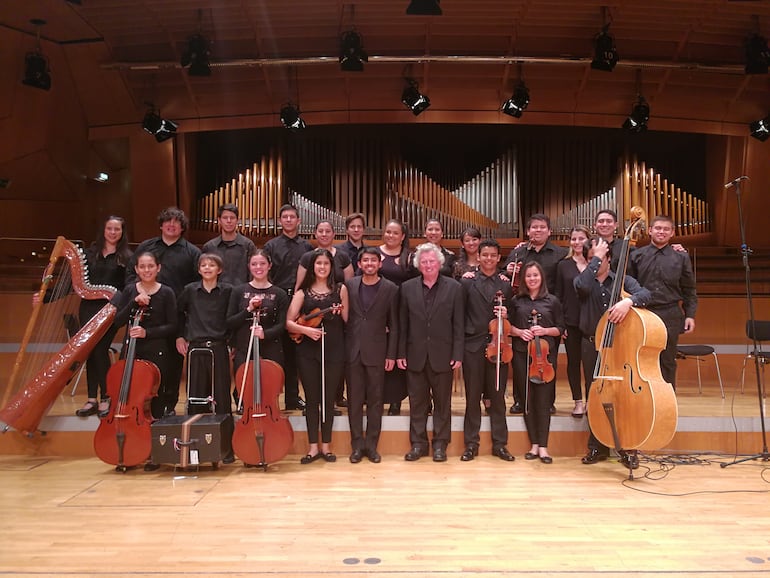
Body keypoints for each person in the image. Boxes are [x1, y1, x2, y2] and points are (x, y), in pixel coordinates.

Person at [574, 237, 650, 465]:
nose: (594, 264)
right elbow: (581, 285)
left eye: (599, 259)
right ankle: (597, 447)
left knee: (623, 397)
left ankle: (628, 448)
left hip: (620, 348)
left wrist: (629, 302)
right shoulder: (584, 282)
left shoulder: (623, 281)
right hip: (592, 345)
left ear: (610, 259)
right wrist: (595, 258)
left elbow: (647, 295)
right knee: (595, 396)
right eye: (590, 260)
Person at [127, 207, 201, 416]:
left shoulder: (192, 252)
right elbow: (129, 274)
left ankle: (168, 404)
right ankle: (141, 403)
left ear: (182, 227)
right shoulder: (146, 247)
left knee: (173, 360)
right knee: (140, 361)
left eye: (176, 222)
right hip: (145, 312)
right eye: (167, 221)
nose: (171, 224)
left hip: (176, 314)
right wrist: (135, 294)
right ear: (161, 224)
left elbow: (197, 284)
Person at [398, 243, 464, 462]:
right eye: (424, 262)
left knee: (442, 404)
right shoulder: (406, 288)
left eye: (431, 261)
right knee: (417, 403)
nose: (428, 265)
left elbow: (458, 325)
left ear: (439, 263)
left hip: (443, 355)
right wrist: (400, 353)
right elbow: (402, 325)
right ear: (418, 265)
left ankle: (440, 445)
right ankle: (418, 444)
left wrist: (458, 353)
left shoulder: (454, 288)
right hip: (414, 354)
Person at [110, 251, 177, 470]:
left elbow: (173, 326)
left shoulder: (166, 293)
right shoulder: (129, 290)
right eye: (142, 267)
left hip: (156, 352)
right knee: (129, 399)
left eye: (151, 266)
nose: (146, 270)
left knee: (155, 404)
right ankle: (130, 450)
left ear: (158, 268)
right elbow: (118, 321)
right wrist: (132, 304)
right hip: (131, 351)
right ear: (137, 269)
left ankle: (154, 454)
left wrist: (148, 333)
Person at [286, 249, 349, 464]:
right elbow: (289, 322)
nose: (322, 267)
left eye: (326, 263)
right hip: (307, 352)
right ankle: (313, 447)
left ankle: (327, 446)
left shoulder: (341, 290)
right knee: (312, 400)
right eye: (318, 263)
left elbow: (348, 320)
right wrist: (307, 331)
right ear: (313, 267)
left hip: (333, 350)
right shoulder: (303, 293)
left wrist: (340, 313)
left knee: (328, 399)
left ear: (331, 267)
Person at [459, 239, 515, 462]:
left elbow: (511, 313)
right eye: (485, 255)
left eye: (493, 255)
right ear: (478, 257)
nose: (489, 259)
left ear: (498, 258)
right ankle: (471, 444)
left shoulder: (506, 284)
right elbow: (460, 314)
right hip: (472, 345)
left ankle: (500, 444)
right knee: (472, 398)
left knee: (498, 398)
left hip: (498, 346)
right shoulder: (466, 282)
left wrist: (505, 314)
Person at [504, 214, 566, 415]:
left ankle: (548, 401)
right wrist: (509, 269)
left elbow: (563, 285)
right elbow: (509, 278)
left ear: (549, 231)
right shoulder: (518, 253)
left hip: (549, 309)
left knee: (549, 359)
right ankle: (520, 400)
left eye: (542, 227)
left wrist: (558, 320)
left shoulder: (560, 253)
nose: (538, 230)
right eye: (534, 227)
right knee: (520, 361)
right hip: (523, 306)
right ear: (528, 231)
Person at [627, 215, 697, 390]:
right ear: (650, 230)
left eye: (666, 229)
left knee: (667, 360)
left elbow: (689, 289)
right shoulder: (636, 255)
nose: (661, 232)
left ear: (672, 232)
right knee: (640, 358)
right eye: (658, 228)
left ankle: (666, 401)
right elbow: (627, 286)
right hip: (643, 313)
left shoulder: (681, 257)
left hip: (670, 313)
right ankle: (642, 399)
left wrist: (690, 315)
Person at [74, 216, 132, 418]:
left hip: (111, 311)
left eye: (117, 229)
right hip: (88, 309)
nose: (113, 232)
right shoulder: (90, 254)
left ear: (122, 232)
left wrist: (118, 305)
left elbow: (128, 288)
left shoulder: (126, 257)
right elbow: (77, 282)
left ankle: (106, 397)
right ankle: (92, 399)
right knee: (90, 351)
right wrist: (45, 297)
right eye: (110, 228)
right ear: (104, 230)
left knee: (99, 350)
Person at [344, 247, 399, 464]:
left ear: (379, 264)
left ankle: (372, 446)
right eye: (365, 260)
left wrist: (391, 355)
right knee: (354, 401)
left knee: (376, 401)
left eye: (373, 261)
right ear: (359, 264)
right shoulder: (348, 286)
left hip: (378, 352)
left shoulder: (391, 289)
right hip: (353, 351)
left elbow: (394, 326)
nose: (369, 264)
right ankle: (357, 445)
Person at [509, 261, 564, 464]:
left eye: (536, 275)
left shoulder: (552, 301)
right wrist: (518, 331)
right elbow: (508, 326)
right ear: (524, 278)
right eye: (529, 276)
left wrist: (545, 331)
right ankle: (533, 444)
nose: (532, 279)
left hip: (545, 358)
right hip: (523, 355)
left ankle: (544, 446)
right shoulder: (516, 301)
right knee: (527, 401)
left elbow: (560, 328)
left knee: (543, 402)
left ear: (541, 278)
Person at [263, 203, 313, 411]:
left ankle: (293, 397)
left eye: (293, 217)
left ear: (299, 220)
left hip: (300, 302)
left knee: (295, 354)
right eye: (285, 217)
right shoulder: (271, 246)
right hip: (279, 299)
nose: (289, 220)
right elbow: (266, 274)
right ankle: (269, 398)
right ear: (280, 221)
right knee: (275, 352)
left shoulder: (307, 247)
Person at [226, 249, 289, 407]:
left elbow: (282, 325)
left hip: (271, 348)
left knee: (270, 390)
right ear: (249, 266)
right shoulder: (238, 291)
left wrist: (265, 334)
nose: (258, 267)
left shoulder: (279, 293)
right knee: (245, 388)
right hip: (244, 348)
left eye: (262, 263)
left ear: (269, 266)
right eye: (254, 264)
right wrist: (247, 310)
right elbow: (230, 321)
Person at [175, 254, 233, 419]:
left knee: (221, 394)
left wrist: (232, 341)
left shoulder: (228, 291)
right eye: (204, 265)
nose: (207, 268)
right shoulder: (190, 290)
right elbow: (178, 314)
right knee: (196, 396)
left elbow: (233, 317)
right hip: (196, 348)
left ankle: (224, 436)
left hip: (219, 346)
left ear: (219, 270)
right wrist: (180, 336)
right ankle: (196, 435)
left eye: (212, 265)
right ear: (199, 269)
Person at [377, 219, 415, 416]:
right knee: (381, 355)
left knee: (398, 354)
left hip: (402, 311)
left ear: (402, 236)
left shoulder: (409, 257)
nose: (390, 235)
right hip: (378, 311)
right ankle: (378, 398)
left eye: (395, 233)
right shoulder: (375, 254)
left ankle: (395, 401)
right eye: (388, 232)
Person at [554, 225, 591, 418]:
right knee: (574, 363)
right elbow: (558, 296)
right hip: (571, 322)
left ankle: (592, 401)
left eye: (581, 239)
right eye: (574, 239)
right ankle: (578, 401)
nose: (577, 243)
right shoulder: (563, 265)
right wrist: (561, 324)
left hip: (593, 321)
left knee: (592, 364)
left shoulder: (596, 262)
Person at [201, 203, 256, 286]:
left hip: (240, 294)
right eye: (225, 218)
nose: (229, 221)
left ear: (237, 220)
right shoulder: (209, 247)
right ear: (219, 220)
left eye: (232, 218)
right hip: (216, 295)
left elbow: (253, 274)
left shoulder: (248, 245)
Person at [295, 219, 354, 290]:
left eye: (328, 231)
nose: (324, 234)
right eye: (320, 231)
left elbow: (350, 287)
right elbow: (299, 287)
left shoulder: (343, 257)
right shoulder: (307, 257)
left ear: (333, 234)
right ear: (315, 234)